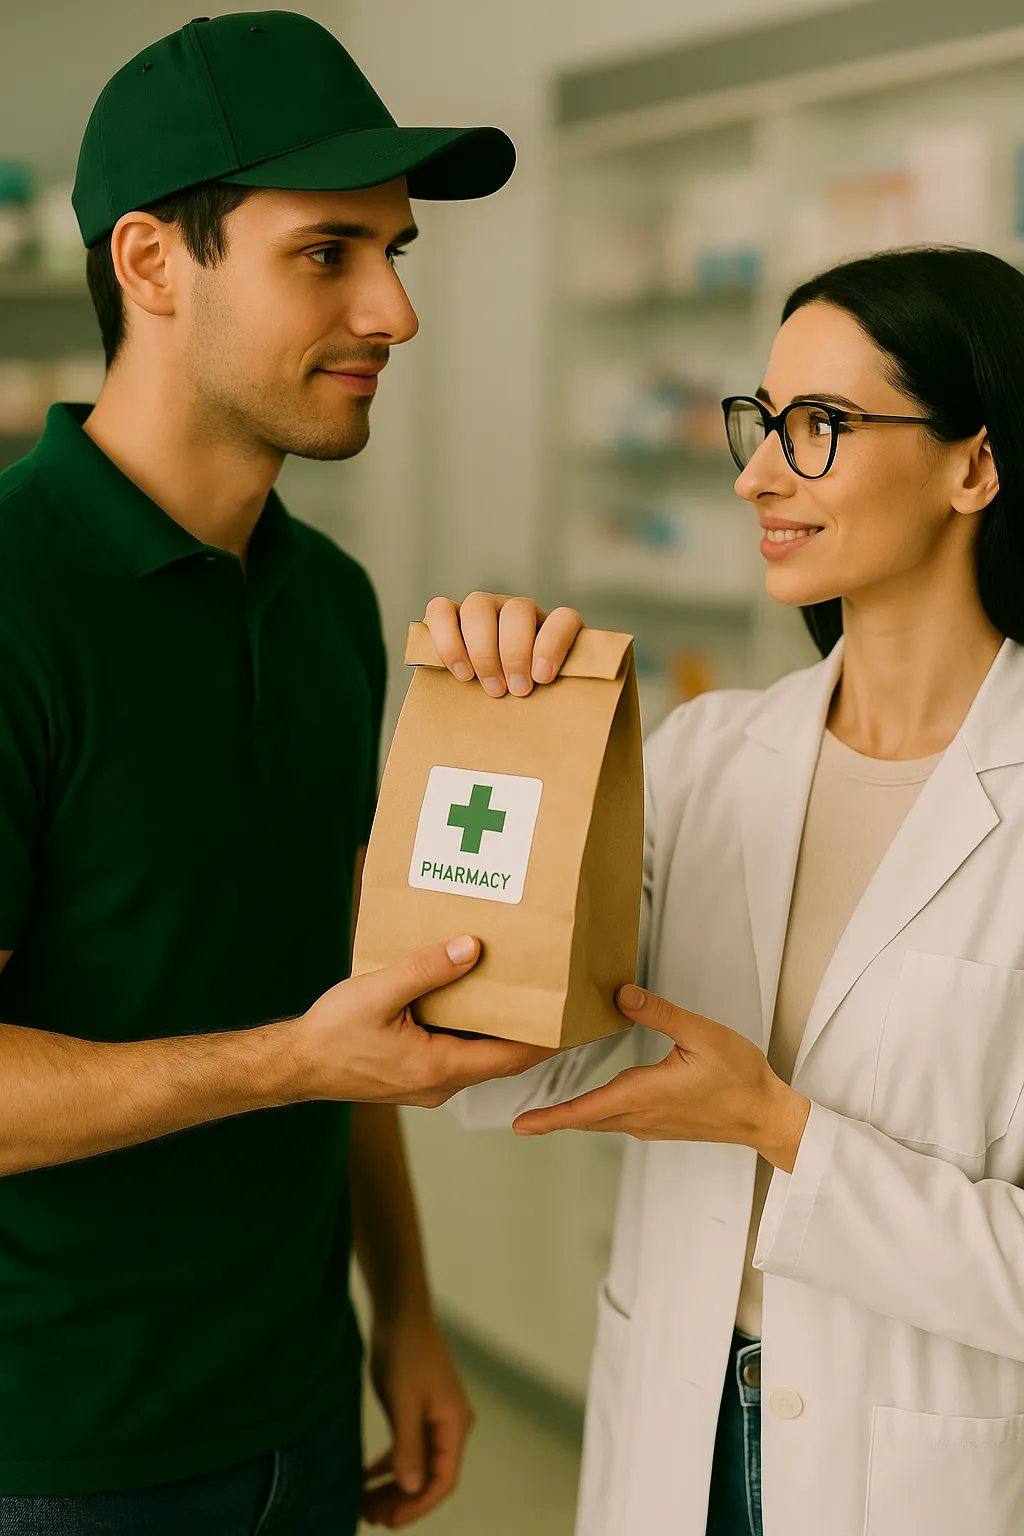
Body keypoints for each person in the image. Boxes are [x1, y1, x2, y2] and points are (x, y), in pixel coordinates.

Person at [0, 13, 580, 1535]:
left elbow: (350, 1002)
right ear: (150, 265)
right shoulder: (10, 599)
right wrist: (289, 1062)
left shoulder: (325, 602)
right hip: (56, 1450)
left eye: (397, 253)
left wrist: (405, 1308)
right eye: (327, 252)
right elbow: (307, 1048)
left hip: (304, 1410)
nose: (392, 308)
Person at [425, 245, 1024, 1536]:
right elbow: (515, 1059)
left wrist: (782, 1128)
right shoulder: (702, 756)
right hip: (676, 1428)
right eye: (761, 420)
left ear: (975, 465)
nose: (756, 473)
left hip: (915, 1474)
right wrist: (502, 751)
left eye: (820, 427)